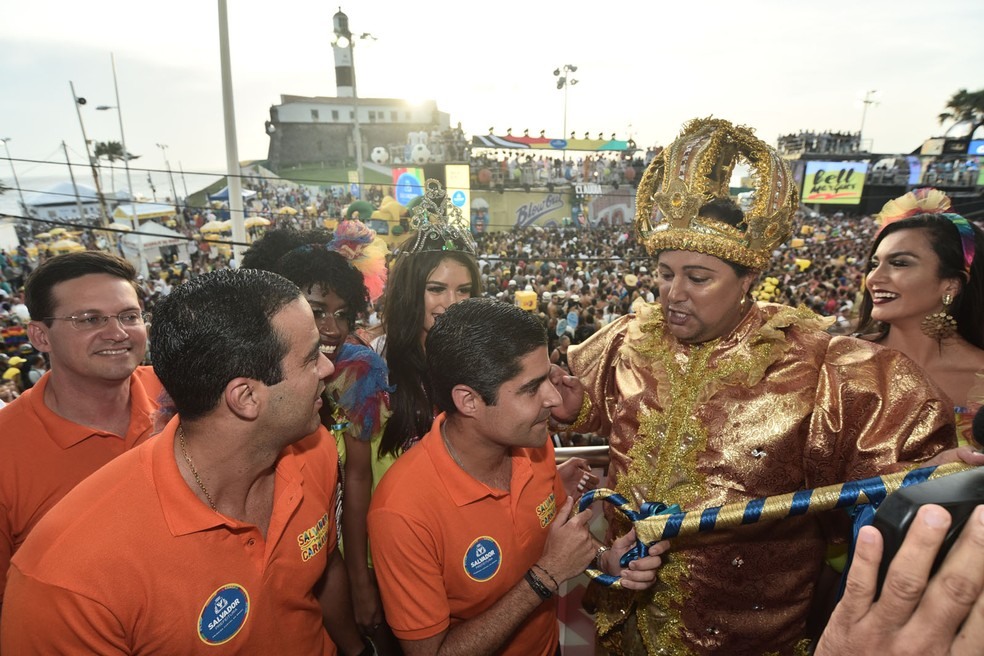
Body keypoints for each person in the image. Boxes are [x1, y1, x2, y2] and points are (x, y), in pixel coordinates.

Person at [553, 118, 980, 654]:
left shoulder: (819, 365)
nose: (673, 293)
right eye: (664, 272)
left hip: (747, 639)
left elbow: (898, 479)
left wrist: (940, 477)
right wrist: (570, 411)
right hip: (624, 620)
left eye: (698, 277)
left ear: (748, 278)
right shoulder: (628, 339)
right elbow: (596, 414)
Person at [0, 268, 367, 655]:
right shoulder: (68, 581)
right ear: (244, 397)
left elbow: (322, 574)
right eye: (310, 359)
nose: (328, 368)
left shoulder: (315, 451)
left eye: (129, 316)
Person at [368, 298, 669, 656]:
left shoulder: (535, 445)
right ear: (468, 401)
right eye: (531, 388)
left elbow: (555, 543)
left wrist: (603, 558)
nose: (554, 397)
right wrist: (544, 578)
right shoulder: (402, 512)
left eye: (549, 378)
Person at [242, 222, 397, 650]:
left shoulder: (356, 376)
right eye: (316, 310)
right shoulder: (242, 388)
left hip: (337, 558)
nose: (331, 327)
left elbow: (359, 478)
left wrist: (360, 581)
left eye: (343, 313)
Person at [0, 252, 162, 615]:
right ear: (40, 336)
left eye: (129, 316)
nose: (117, 333)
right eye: (89, 319)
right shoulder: (6, 449)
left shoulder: (183, 396)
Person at [856, 188, 984, 449]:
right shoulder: (838, 359)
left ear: (951, 285)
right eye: (874, 264)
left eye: (900, 263)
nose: (874, 278)